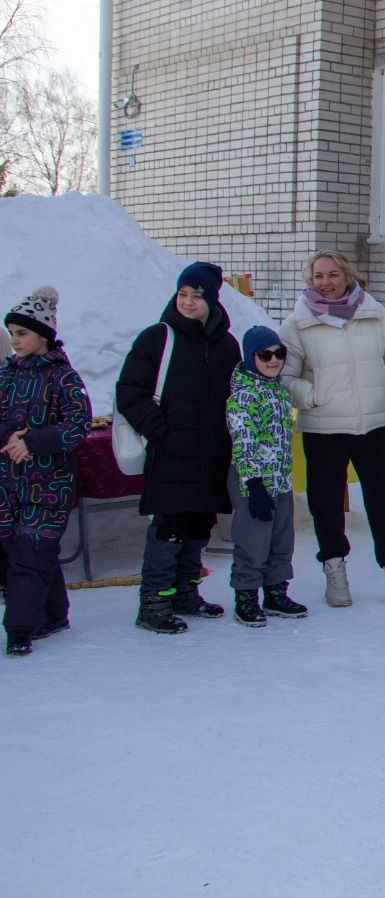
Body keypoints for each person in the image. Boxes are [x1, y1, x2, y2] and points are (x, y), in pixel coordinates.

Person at [280, 250, 385, 609]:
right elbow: (285, 374)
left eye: (333, 274)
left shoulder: (373, 311)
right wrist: (310, 396)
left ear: (347, 276)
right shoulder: (298, 322)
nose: (326, 282)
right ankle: (334, 570)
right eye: (319, 276)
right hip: (323, 426)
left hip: (371, 423)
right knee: (325, 503)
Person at [117, 262, 241, 634]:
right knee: (169, 526)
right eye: (182, 294)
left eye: (196, 295)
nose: (187, 302)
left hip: (210, 453)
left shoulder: (227, 345)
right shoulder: (158, 337)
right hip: (171, 452)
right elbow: (129, 391)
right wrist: (159, 431)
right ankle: (153, 600)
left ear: (212, 299)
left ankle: (185, 591)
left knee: (200, 525)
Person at [1, 288, 90, 656]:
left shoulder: (64, 377)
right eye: (11, 334)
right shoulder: (6, 375)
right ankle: (54, 613)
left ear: (43, 335)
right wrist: (9, 438)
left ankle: (20, 628)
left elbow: (79, 424)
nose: (15, 341)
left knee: (31, 552)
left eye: (21, 334)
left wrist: (34, 442)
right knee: (26, 549)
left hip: (50, 483)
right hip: (10, 483)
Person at [224, 325, 306, 627]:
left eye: (278, 353)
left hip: (280, 481)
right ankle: (246, 595)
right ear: (250, 356)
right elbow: (243, 441)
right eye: (264, 355)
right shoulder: (244, 396)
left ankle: (276, 591)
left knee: (282, 538)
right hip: (254, 485)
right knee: (253, 539)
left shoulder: (278, 390)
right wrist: (254, 484)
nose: (273, 360)